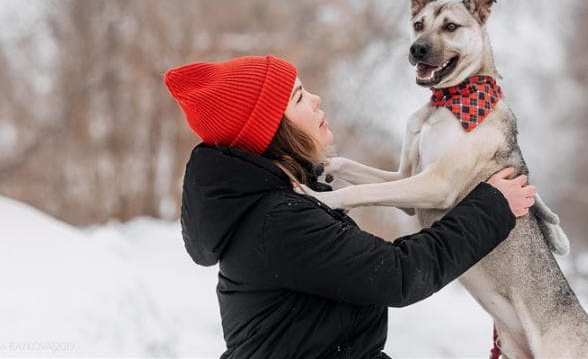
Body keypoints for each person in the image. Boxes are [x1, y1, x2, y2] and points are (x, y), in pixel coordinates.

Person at [164, 55, 536, 359]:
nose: (315, 99)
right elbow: (398, 274)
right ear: (273, 131)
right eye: (297, 98)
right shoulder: (277, 222)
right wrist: (491, 208)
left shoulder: (275, 208)